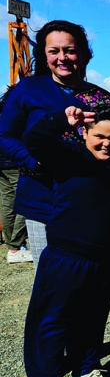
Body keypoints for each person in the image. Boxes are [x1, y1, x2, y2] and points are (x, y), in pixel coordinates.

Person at [21, 103, 110, 377]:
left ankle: (86, 369)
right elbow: (33, 140)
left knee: (93, 318)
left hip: (103, 258)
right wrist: (59, 119)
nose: (107, 143)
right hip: (65, 257)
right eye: (100, 136)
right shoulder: (68, 156)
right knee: (52, 321)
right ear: (85, 133)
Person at [0, 20, 110, 271]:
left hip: (87, 202)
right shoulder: (28, 89)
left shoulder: (103, 98)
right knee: (49, 282)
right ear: (45, 54)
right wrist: (34, 161)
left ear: (84, 54)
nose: (62, 57)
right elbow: (4, 136)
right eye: (54, 51)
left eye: (70, 50)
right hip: (42, 200)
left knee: (85, 280)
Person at [0, 87, 30, 264]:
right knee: (24, 201)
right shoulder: (19, 109)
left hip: (1, 162)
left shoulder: (3, 109)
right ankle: (16, 246)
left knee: (7, 201)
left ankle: (13, 246)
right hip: (15, 161)